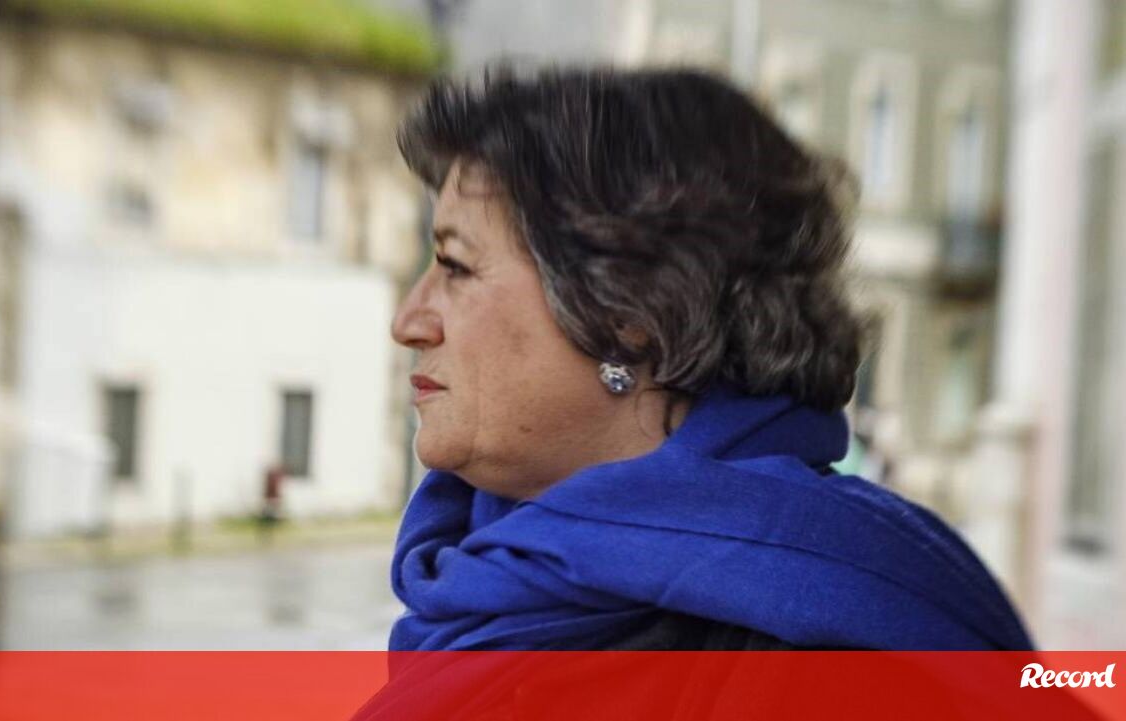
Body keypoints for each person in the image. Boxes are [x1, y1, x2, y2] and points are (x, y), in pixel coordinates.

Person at [386, 65, 1033, 652]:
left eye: (454, 265)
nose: (408, 321)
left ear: (629, 313)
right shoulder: (476, 572)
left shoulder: (835, 641)